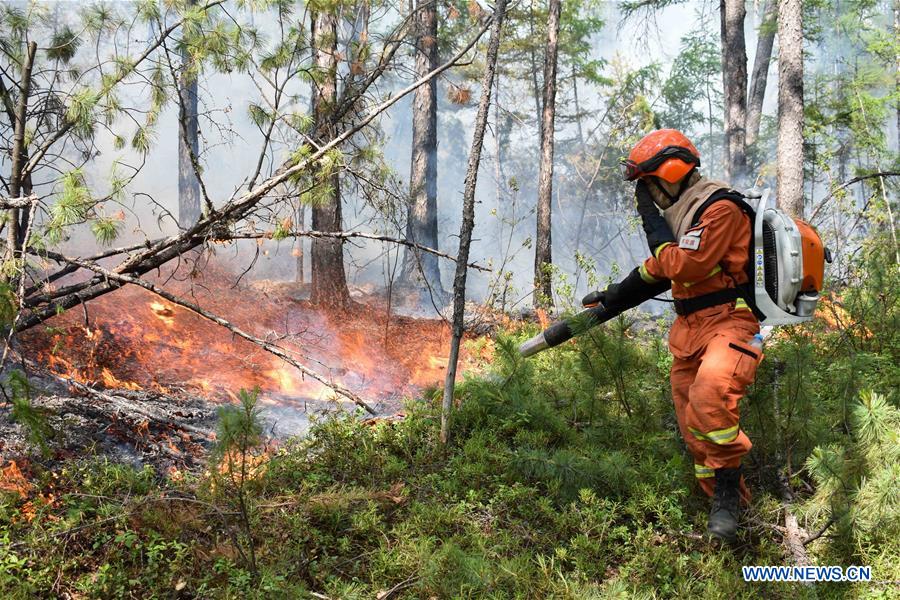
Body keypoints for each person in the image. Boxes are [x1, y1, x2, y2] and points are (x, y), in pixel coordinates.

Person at [584, 129, 763, 543]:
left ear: (671, 174)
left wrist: (651, 223)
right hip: (691, 331)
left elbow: (685, 266)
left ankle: (729, 503)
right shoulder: (688, 218)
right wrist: (614, 296)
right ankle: (719, 512)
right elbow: (658, 271)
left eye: (647, 186)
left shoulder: (720, 208)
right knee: (693, 423)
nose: (646, 198)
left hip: (732, 324)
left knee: (710, 398)